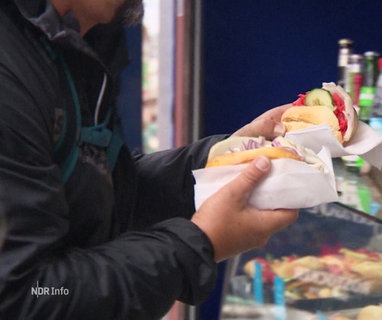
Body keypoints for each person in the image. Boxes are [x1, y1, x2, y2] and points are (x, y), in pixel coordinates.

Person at [0, 0, 298, 319]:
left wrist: (223, 159)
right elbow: (29, 294)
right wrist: (200, 243)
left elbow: (106, 193)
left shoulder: (82, 41)